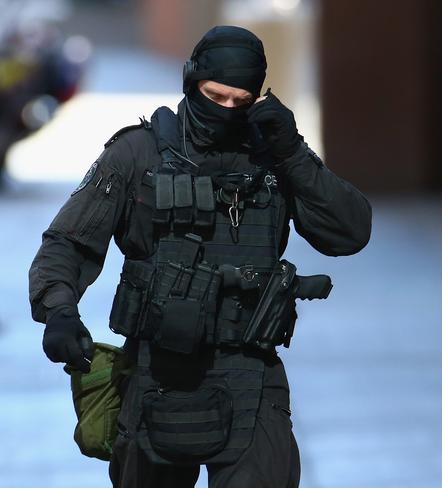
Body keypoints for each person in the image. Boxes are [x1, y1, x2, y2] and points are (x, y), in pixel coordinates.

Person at [29, 25, 371, 487]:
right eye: (215, 95)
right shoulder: (137, 154)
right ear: (191, 84)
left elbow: (349, 232)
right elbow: (67, 242)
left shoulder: (275, 155)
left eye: (240, 100)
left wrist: (293, 152)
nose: (226, 110)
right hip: (158, 376)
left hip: (252, 375)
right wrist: (59, 311)